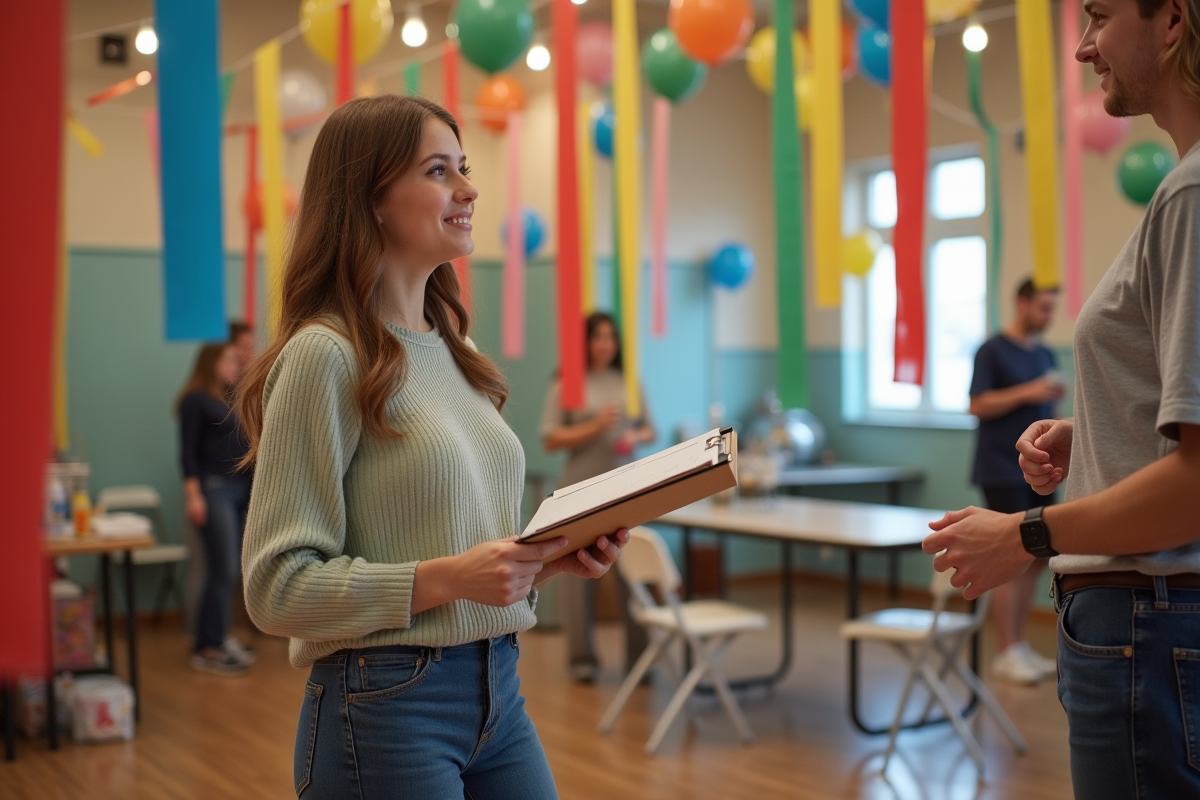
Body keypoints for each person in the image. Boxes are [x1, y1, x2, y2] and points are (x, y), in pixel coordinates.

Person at [236, 94, 626, 799]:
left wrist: (542, 562)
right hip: (386, 705)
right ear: (373, 199)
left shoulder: (457, 350)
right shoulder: (327, 355)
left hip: (499, 688)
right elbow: (274, 589)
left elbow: (461, 554)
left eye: (464, 168)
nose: (470, 189)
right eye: (439, 171)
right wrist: (449, 578)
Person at [924, 1, 1200, 794]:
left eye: (1100, 16)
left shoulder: (1187, 197)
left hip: (1149, 620)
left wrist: (1027, 532)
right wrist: (1099, 432)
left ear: (1173, 21)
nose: (1080, 47)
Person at [539, 312, 656, 683]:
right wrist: (596, 426)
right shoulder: (566, 385)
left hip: (626, 489)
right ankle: (582, 660)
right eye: (598, 337)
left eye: (611, 337)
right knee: (577, 579)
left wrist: (633, 438)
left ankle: (641, 660)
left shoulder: (629, 381)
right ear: (585, 342)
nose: (606, 344)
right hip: (580, 490)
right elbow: (551, 438)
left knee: (633, 571)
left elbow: (650, 429)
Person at [967, 279, 1064, 684]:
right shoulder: (992, 350)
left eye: (1052, 309)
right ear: (1022, 303)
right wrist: (1030, 391)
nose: (1047, 316)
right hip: (1001, 467)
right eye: (1042, 308)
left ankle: (1020, 645)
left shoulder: (1044, 353)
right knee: (1014, 554)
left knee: (1039, 554)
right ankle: (1006, 650)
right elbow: (977, 404)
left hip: (1040, 467)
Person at [177, 342, 255, 675]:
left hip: (239, 489)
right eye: (228, 360)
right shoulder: (195, 401)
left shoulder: (229, 398)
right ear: (211, 362)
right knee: (221, 568)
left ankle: (219, 637)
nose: (234, 365)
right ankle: (208, 647)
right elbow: (187, 453)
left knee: (232, 569)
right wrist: (193, 496)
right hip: (214, 490)